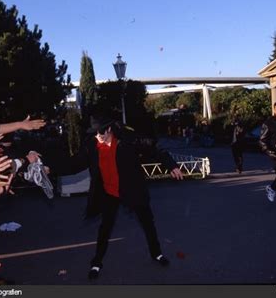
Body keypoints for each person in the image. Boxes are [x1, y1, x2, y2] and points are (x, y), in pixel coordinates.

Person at [51, 116, 184, 279]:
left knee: (148, 222)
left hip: (132, 189)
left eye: (100, 132)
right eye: (94, 133)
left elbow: (154, 148)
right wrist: (50, 169)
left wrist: (171, 165)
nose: (97, 136)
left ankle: (157, 254)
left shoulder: (128, 140)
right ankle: (96, 263)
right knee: (105, 229)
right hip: (108, 193)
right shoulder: (92, 145)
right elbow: (74, 164)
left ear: (109, 129)